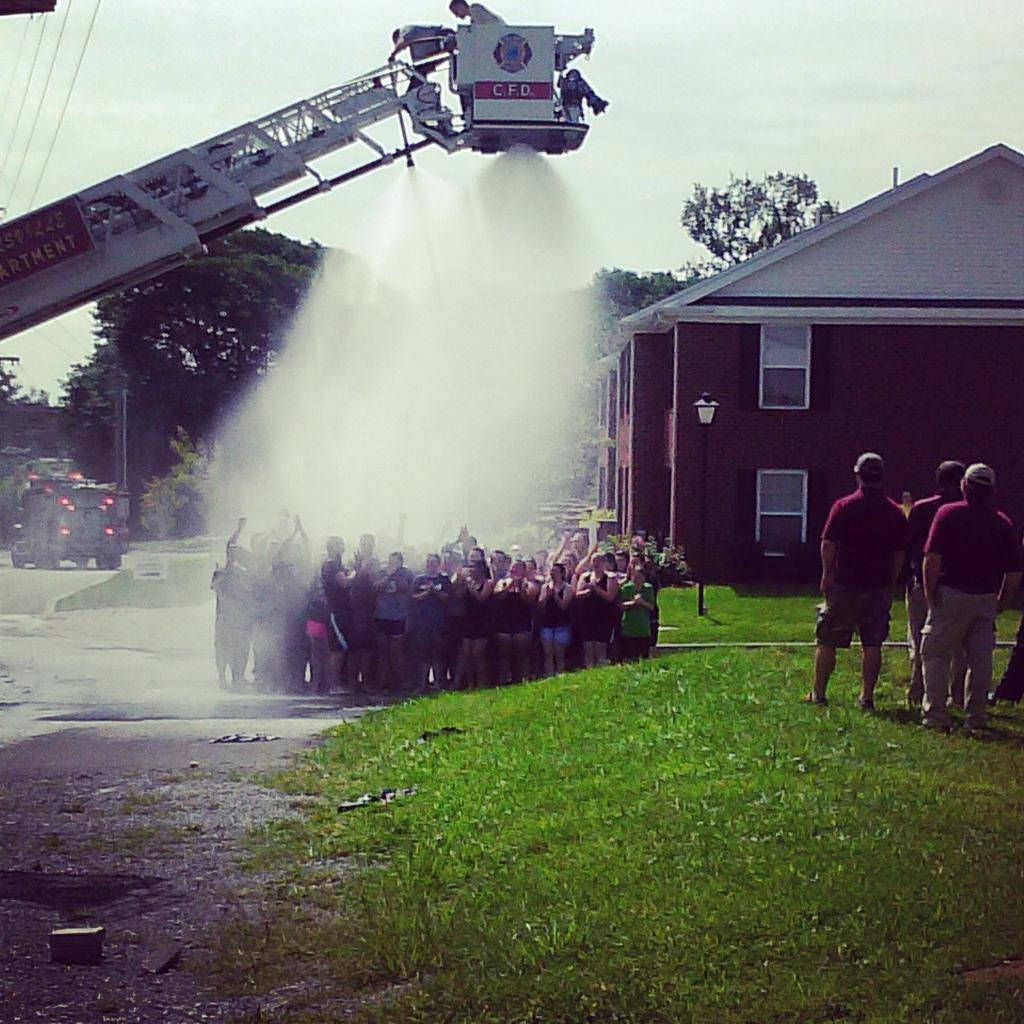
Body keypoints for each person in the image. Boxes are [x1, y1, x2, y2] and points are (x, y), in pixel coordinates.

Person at [920, 464, 1022, 733]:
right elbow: (1013, 571)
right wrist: (1003, 600)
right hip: (986, 597)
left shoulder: (948, 514)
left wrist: (930, 593)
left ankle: (936, 715)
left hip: (951, 594)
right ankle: (976, 718)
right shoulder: (1002, 522)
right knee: (980, 662)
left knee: (936, 655)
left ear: (965, 486)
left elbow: (932, 558)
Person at [808, 453, 907, 708]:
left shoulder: (844, 506)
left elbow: (828, 543)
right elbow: (899, 552)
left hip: (845, 584)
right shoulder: (894, 511)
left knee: (827, 638)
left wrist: (827, 573)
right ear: (882, 477)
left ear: (858, 475)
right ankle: (866, 696)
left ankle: (818, 694)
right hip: (879, 585)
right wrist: (892, 579)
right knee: (872, 643)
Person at [904, 462, 968, 709]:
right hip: (958, 585)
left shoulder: (922, 508)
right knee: (959, 643)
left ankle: (917, 691)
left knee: (920, 638)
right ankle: (957, 696)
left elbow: (908, 543)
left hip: (922, 582)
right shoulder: (968, 511)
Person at [211, 540, 253, 691]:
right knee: (223, 649)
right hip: (224, 619)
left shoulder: (242, 572)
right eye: (231, 553)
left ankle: (238, 677)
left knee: (240, 649)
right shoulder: (220, 572)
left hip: (240, 620)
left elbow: (249, 593)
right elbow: (216, 588)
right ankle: (222, 678)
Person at [409, 553, 452, 693]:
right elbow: (413, 597)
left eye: (433, 562)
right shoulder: (419, 579)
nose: (430, 565)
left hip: (440, 624)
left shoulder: (444, 579)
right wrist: (426, 593)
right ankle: (422, 685)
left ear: (438, 564)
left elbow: (448, 598)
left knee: (438, 655)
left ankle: (439, 684)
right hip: (422, 624)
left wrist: (435, 592)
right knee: (423, 656)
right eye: (428, 562)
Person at [374, 552, 415, 692]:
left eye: (395, 561)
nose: (392, 564)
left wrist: (397, 577)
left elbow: (409, 591)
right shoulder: (381, 571)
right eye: (390, 561)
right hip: (382, 615)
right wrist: (387, 576)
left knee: (396, 651)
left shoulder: (407, 573)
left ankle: (401, 681)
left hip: (399, 616)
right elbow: (376, 587)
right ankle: (383, 682)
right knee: (382, 650)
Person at [492, 559, 537, 683]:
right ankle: (504, 680)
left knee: (523, 654)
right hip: (504, 623)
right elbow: (497, 596)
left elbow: (529, 599)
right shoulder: (502, 582)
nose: (514, 570)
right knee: (504, 655)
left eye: (517, 568)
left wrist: (520, 587)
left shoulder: (528, 584)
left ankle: (524, 679)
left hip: (522, 622)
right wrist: (509, 586)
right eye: (513, 568)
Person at [574, 552, 620, 668]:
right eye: (594, 560)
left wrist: (595, 588)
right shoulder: (585, 577)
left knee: (600, 649)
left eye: (599, 561)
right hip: (587, 617)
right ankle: (589, 672)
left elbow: (610, 597)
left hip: (603, 618)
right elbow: (577, 594)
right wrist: (586, 592)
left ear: (604, 563)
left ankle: (601, 671)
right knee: (588, 648)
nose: (596, 563)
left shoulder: (610, 578)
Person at [320, 536, 350, 694]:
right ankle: (333, 684)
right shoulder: (331, 564)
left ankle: (336, 682)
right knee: (337, 648)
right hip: (335, 611)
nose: (343, 547)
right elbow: (344, 582)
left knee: (340, 648)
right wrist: (356, 574)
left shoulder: (336, 563)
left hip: (341, 610)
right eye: (340, 545)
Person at [461, 551, 494, 688]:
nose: (471, 570)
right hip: (468, 621)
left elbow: (482, 598)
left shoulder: (488, 583)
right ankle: (470, 683)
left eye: (473, 567)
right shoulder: (467, 582)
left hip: (482, 622)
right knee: (467, 654)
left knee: (478, 654)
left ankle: (481, 682)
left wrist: (470, 587)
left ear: (480, 569)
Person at [538, 562, 573, 676]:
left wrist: (555, 595)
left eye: (556, 572)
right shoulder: (545, 586)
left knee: (559, 654)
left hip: (561, 625)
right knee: (548, 654)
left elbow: (564, 605)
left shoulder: (567, 588)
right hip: (547, 624)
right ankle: (549, 674)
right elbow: (541, 604)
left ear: (562, 573)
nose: (553, 574)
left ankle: (560, 674)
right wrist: (547, 595)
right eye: (552, 572)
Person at [618, 566, 656, 662]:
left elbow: (651, 606)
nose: (637, 579)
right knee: (630, 656)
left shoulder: (648, 588)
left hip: (643, 626)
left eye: (639, 577)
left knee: (643, 655)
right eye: (635, 576)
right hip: (629, 626)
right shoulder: (626, 588)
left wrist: (642, 602)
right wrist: (634, 602)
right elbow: (621, 605)